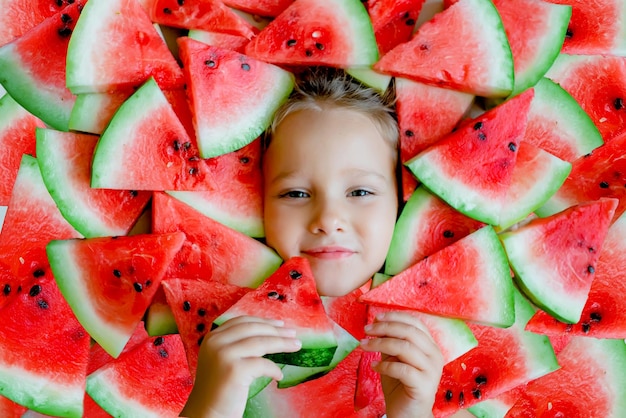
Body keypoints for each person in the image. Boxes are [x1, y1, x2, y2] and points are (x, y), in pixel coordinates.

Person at [181, 68, 445, 418]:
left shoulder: (427, 362)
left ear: (402, 200)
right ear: (255, 201)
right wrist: (209, 406)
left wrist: (411, 412)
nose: (328, 219)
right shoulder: (199, 330)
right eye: (296, 193)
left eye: (361, 191)